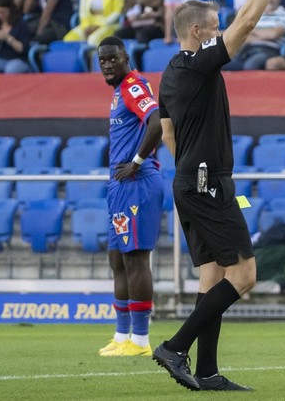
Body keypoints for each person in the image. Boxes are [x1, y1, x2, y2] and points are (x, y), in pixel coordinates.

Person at [151, 0, 285, 392]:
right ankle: (175, 346)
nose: (220, 30)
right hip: (207, 183)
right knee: (245, 274)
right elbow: (247, 22)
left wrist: (192, 171)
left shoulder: (168, 74)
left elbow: (167, 135)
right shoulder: (196, 65)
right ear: (196, 33)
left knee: (213, 279)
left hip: (188, 181)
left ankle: (206, 372)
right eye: (214, 26)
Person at [96, 35, 165, 357]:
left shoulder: (134, 86)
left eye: (113, 58)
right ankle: (122, 335)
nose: (108, 65)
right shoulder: (117, 93)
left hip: (136, 182)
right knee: (117, 260)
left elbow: (156, 123)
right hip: (120, 185)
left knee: (136, 259)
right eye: (102, 61)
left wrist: (138, 162)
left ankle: (139, 340)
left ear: (126, 57)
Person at [225, 0, 285, 71]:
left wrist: (250, 28)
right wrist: (263, 34)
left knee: (250, 65)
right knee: (218, 63)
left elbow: (273, 34)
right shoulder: (255, 15)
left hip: (269, 51)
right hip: (246, 50)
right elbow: (242, 35)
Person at [0, 0, 32, 73]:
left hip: (18, 58)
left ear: (9, 9)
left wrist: (7, 38)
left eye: (2, 12)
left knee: (11, 69)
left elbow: (23, 49)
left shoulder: (20, 24)